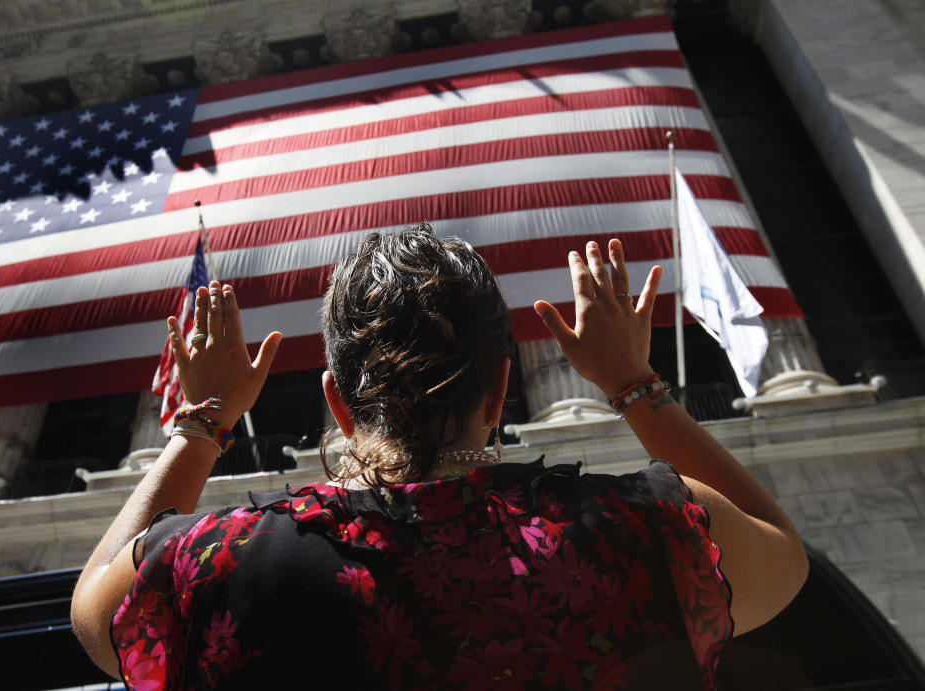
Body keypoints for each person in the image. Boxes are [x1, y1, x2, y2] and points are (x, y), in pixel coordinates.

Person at [71, 226, 808, 690]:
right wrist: (633, 384)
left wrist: (200, 421)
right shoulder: (645, 527)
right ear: (500, 389)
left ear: (338, 402)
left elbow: (94, 611)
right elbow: (784, 557)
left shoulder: (221, 560)